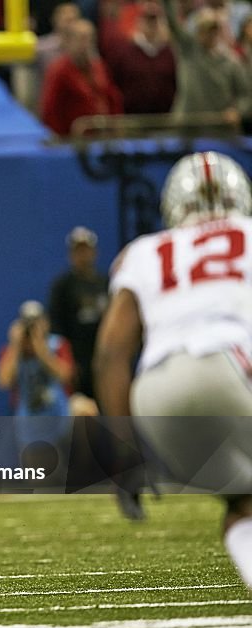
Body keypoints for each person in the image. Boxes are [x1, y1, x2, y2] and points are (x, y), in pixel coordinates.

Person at [93, 151, 252, 591]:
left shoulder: (144, 252)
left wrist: (123, 453)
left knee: (242, 505)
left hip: (157, 394)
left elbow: (110, 353)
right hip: (232, 366)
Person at [165, 0, 251, 128]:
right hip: (187, 127)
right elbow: (173, 23)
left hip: (219, 128)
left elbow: (245, 95)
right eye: (205, 30)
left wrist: (238, 111)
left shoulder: (231, 61)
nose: (210, 34)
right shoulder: (188, 50)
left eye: (213, 30)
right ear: (197, 31)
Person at [48, 225, 109, 401]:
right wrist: (67, 361)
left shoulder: (105, 283)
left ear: (94, 252)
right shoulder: (62, 286)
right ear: (71, 254)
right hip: (77, 362)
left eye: (86, 249)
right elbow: (56, 326)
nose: (82, 255)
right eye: (78, 251)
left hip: (103, 360)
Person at [39, 18, 124, 136]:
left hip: (102, 135)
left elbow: (112, 97)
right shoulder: (58, 71)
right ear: (68, 41)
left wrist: (116, 127)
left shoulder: (99, 67)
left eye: (90, 39)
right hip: (72, 140)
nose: (86, 44)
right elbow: (50, 109)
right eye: (81, 39)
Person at [0, 299, 77, 417]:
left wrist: (41, 349)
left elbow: (65, 376)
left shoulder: (58, 344)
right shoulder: (12, 350)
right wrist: (16, 346)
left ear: (46, 322)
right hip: (26, 416)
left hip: (59, 412)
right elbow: (3, 382)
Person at [104, 1, 177, 115]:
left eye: (155, 20)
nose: (152, 25)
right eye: (147, 20)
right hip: (133, 117)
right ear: (139, 22)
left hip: (164, 118)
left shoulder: (169, 53)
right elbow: (114, 83)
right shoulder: (125, 52)